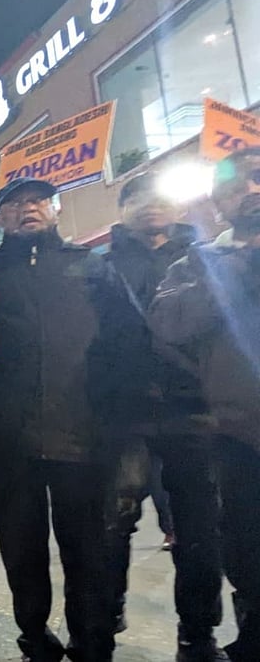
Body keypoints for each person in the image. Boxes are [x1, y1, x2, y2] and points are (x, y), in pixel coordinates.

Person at [0, 177, 115, 662]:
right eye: (15, 204)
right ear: (0, 217)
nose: (27, 210)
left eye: (37, 202)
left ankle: (90, 640)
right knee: (21, 549)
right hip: (9, 440)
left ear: (55, 209)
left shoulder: (91, 268)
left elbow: (127, 346)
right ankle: (34, 638)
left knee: (87, 549)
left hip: (83, 434)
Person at [96, 171, 225, 661]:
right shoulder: (99, 268)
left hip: (194, 415)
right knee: (113, 525)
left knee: (200, 531)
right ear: (122, 210)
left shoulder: (209, 261)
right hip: (124, 415)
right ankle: (104, 620)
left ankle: (198, 632)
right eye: (137, 199)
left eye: (160, 198)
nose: (150, 206)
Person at [150, 146, 260, 661]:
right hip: (237, 435)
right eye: (235, 187)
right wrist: (235, 269)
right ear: (218, 202)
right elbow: (168, 324)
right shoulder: (200, 261)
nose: (249, 192)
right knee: (246, 552)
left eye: (257, 179)